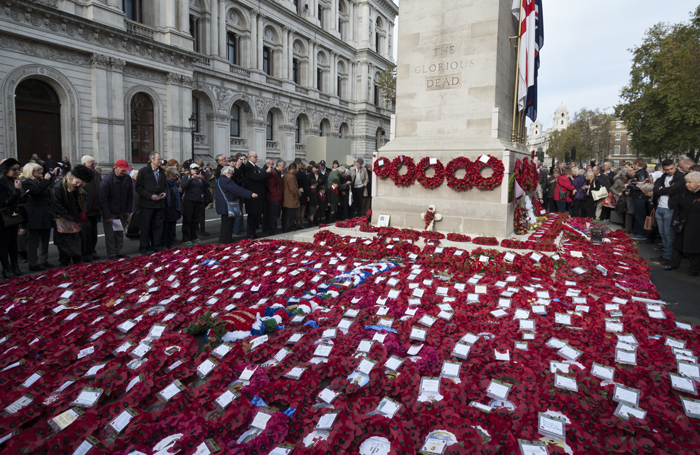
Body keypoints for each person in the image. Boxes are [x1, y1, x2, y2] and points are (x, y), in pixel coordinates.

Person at [51, 165, 93, 267]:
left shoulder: (79, 188)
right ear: (72, 177)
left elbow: (85, 199)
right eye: (77, 182)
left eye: (81, 184)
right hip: (64, 219)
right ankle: (65, 265)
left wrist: (83, 212)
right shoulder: (58, 187)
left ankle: (77, 264)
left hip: (76, 219)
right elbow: (58, 206)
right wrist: (72, 217)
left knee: (77, 245)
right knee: (65, 247)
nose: (79, 185)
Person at [22, 163, 58, 271]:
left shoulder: (42, 182)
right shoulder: (26, 183)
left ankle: (43, 260)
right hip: (34, 216)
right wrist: (46, 180)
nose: (41, 171)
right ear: (30, 171)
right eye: (37, 169)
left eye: (41, 169)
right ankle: (33, 263)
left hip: (46, 214)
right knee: (33, 241)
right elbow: (36, 192)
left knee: (45, 239)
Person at [665, 172, 700, 275]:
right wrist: (674, 222)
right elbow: (677, 207)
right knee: (677, 244)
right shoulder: (684, 191)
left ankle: (694, 269)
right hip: (682, 222)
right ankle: (673, 264)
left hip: (697, 224)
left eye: (690, 182)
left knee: (697, 247)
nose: (687, 184)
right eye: (686, 182)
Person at [651, 159, 686, 265]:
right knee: (662, 233)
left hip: (670, 208)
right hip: (660, 207)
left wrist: (663, 189)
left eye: (671, 169)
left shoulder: (680, 177)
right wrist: (664, 189)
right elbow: (656, 189)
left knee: (669, 234)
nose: (669, 171)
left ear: (675, 166)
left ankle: (669, 256)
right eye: (667, 169)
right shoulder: (663, 176)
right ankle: (666, 255)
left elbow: (672, 190)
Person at [99, 160, 133, 260]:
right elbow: (103, 200)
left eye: (126, 170)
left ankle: (119, 251)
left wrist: (128, 210)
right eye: (123, 170)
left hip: (121, 211)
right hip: (111, 211)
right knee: (110, 235)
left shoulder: (127, 178)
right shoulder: (107, 180)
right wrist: (107, 215)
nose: (125, 172)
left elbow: (129, 196)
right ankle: (111, 253)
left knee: (119, 233)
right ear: (116, 168)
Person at [135, 152, 167, 255]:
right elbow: (138, 187)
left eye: (160, 159)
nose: (160, 161)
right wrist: (150, 196)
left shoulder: (162, 172)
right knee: (145, 226)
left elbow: (165, 185)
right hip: (147, 204)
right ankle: (144, 247)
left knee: (158, 226)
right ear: (152, 159)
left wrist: (165, 192)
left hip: (159, 204)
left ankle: (157, 246)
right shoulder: (144, 171)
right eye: (158, 159)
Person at [216, 165, 256, 244]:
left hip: (223, 205)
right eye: (231, 173)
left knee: (225, 224)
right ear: (226, 173)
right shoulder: (226, 181)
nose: (232, 175)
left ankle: (224, 239)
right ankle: (225, 241)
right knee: (227, 225)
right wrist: (250, 194)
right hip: (227, 206)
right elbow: (237, 189)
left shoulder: (220, 179)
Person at [0, 159, 24, 278]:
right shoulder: (1, 182)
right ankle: (6, 267)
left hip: (14, 217)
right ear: (6, 171)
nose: (17, 171)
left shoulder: (13, 181)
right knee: (4, 244)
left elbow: (18, 200)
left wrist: (21, 193)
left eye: (18, 169)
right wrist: (16, 191)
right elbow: (3, 203)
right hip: (3, 218)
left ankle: (15, 266)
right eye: (14, 169)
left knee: (13, 243)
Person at [242, 151, 271, 238]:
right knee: (252, 215)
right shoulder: (248, 167)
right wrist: (266, 173)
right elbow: (255, 177)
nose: (257, 158)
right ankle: (250, 233)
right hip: (251, 194)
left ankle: (253, 232)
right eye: (255, 157)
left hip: (257, 194)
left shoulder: (255, 167)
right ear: (250, 157)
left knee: (256, 215)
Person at [79, 155, 102, 262]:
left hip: (95, 208)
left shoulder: (96, 174)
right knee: (85, 233)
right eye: (92, 164)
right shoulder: (79, 174)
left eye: (94, 163)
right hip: (84, 210)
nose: (94, 166)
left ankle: (92, 250)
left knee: (93, 232)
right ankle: (85, 252)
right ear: (84, 165)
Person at [181, 163, 207, 245]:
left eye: (196, 169)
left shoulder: (200, 178)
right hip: (189, 201)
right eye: (193, 169)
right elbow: (183, 186)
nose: (195, 170)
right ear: (190, 170)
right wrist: (191, 179)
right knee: (188, 220)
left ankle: (194, 236)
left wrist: (203, 179)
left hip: (198, 200)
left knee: (195, 220)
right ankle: (186, 238)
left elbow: (207, 185)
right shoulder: (187, 177)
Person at [627, 158, 650, 240]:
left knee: (639, 215)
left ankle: (642, 233)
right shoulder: (642, 172)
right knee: (637, 215)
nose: (634, 166)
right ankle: (637, 231)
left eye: (634, 164)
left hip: (639, 197)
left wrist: (628, 186)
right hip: (638, 196)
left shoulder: (641, 173)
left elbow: (640, 186)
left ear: (637, 164)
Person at [161, 167, 181, 249]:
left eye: (175, 176)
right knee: (165, 228)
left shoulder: (175, 185)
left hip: (174, 208)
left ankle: (170, 243)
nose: (174, 178)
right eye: (172, 176)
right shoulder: (164, 184)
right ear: (168, 175)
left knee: (172, 228)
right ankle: (164, 244)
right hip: (166, 209)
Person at [266, 160, 284, 235]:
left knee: (275, 215)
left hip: (276, 198)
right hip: (273, 198)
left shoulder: (277, 174)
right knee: (273, 216)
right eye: (283, 166)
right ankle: (272, 230)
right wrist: (277, 195)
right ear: (278, 166)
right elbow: (271, 186)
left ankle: (273, 229)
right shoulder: (274, 174)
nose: (284, 168)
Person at [282, 163, 302, 232]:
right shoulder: (290, 177)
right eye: (296, 169)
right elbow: (293, 189)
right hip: (291, 198)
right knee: (290, 216)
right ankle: (288, 228)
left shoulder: (286, 175)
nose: (297, 171)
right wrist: (299, 194)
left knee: (287, 215)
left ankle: (287, 227)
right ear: (293, 169)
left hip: (287, 198)